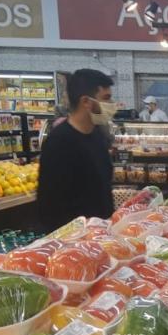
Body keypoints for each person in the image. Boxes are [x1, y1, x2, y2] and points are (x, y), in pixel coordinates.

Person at [37, 69, 116, 232]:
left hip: (101, 233)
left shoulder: (98, 135)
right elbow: (49, 205)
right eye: (106, 99)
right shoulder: (59, 142)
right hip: (74, 239)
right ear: (86, 101)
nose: (111, 104)